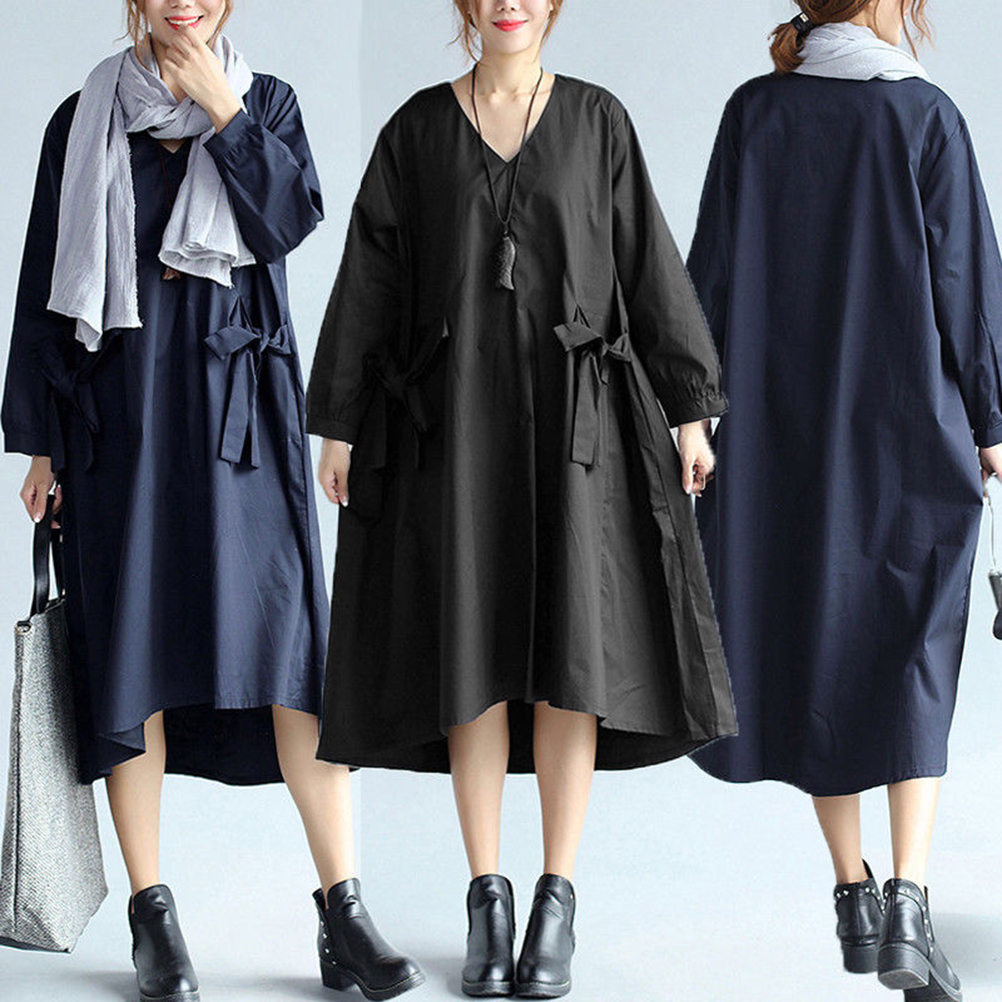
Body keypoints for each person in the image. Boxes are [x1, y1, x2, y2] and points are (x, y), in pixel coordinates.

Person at [305, 0, 737, 996]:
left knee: (568, 660)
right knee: (473, 658)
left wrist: (690, 411)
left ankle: (555, 902)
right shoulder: (419, 130)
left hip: (577, 434)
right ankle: (486, 899)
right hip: (455, 434)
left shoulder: (597, 120)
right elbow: (371, 277)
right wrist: (342, 421)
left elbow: (648, 265)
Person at [1, 2, 422, 1000]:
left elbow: (291, 219)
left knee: (295, 662)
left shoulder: (264, 101)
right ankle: (154, 917)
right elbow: (45, 284)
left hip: (243, 423)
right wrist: (41, 441)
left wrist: (224, 110)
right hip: (119, 426)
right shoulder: (84, 116)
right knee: (130, 660)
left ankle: (345, 911)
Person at [687, 2, 1002, 999]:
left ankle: (853, 893)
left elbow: (706, 280)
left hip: (781, 444)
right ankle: (910, 899)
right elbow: (970, 287)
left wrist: (691, 417)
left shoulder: (755, 112)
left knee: (815, 654)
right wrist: (994, 421)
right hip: (910, 436)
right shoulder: (923, 114)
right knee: (912, 655)